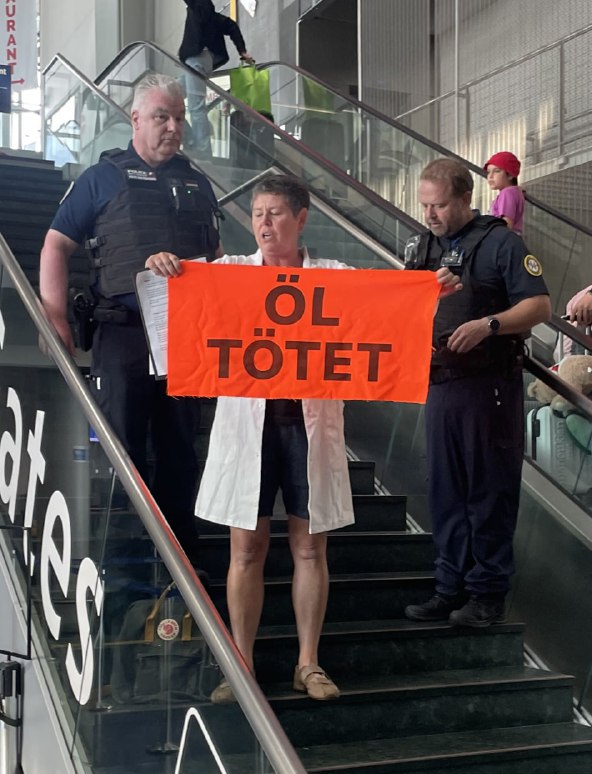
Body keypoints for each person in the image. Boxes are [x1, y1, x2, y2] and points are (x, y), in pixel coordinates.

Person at [145, 174, 460, 702]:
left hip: (307, 426)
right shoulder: (231, 275)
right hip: (250, 425)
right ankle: (240, 665)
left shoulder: (331, 277)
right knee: (245, 548)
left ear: (301, 218)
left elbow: (379, 305)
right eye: (258, 214)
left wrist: (427, 290)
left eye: (276, 213)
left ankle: (308, 663)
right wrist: (162, 267)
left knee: (310, 547)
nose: (265, 224)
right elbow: (179, 300)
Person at [39, 73, 222, 567]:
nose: (173, 127)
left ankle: (181, 558)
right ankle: (122, 557)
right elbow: (57, 244)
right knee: (123, 448)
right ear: (135, 119)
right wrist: (52, 319)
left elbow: (220, 260)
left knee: (181, 450)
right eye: (162, 117)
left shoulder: (197, 182)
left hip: (185, 340)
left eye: (179, 118)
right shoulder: (102, 178)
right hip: (123, 333)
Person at [403, 158, 551, 628]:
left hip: (490, 388)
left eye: (440, 205)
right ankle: (450, 588)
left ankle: (487, 594)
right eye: (425, 204)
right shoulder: (421, 246)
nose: (430, 214)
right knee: (445, 491)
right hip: (440, 383)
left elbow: (540, 305)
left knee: (488, 491)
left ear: (466, 199)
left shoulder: (502, 243)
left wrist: (489, 325)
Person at [179, 0, 254, 159]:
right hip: (206, 62)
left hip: (196, 60)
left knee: (196, 108)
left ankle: (202, 153)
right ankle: (192, 141)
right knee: (169, 94)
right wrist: (242, 51)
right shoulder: (214, 17)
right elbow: (232, 26)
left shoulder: (196, 9)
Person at [484, 150, 525, 234]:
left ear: (510, 175)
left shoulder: (507, 193)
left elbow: (506, 224)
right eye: (488, 172)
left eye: (497, 171)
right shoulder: (516, 192)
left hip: (503, 241)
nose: (490, 176)